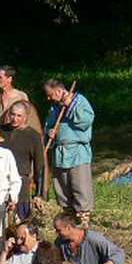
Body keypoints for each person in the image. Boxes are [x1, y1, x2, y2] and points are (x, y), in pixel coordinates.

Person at [43, 78, 96, 225]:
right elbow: (48, 124)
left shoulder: (80, 101)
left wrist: (70, 107)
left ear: (59, 91)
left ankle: (83, 221)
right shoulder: (54, 107)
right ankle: (69, 219)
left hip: (77, 152)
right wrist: (50, 132)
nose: (48, 98)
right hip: (60, 153)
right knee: (62, 188)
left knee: (80, 187)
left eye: (50, 94)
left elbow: (87, 120)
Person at [53, 212, 126, 264]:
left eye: (58, 230)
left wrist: (111, 262)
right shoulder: (59, 243)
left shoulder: (94, 239)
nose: (57, 233)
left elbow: (118, 252)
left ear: (68, 227)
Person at [1, 102, 44, 220]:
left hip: (21, 182)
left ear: (25, 117)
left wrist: (38, 194)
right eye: (13, 115)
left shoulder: (33, 136)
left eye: (19, 116)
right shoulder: (1, 131)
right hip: (1, 181)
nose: (15, 118)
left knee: (20, 219)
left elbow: (39, 165)